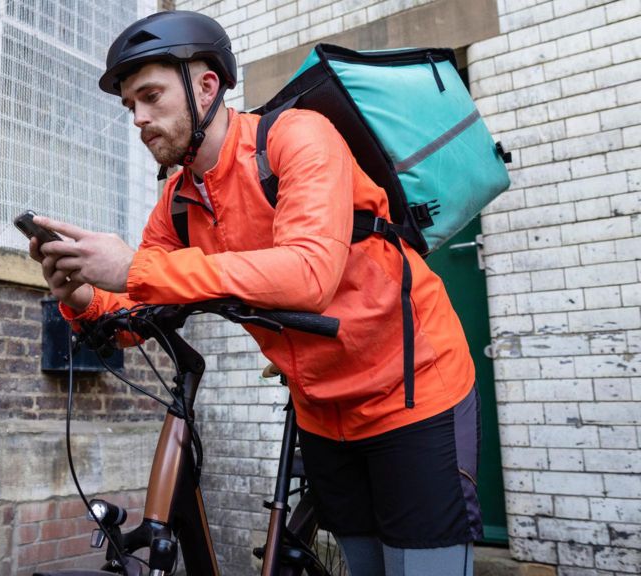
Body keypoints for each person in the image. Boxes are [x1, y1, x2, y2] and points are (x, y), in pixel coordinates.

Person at [27, 10, 481, 576]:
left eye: (150, 96)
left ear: (207, 86)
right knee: (366, 565)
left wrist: (131, 270)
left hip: (412, 392)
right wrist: (79, 296)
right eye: (129, 107)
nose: (139, 119)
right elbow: (131, 315)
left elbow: (309, 275)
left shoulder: (297, 137)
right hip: (321, 411)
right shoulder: (177, 201)